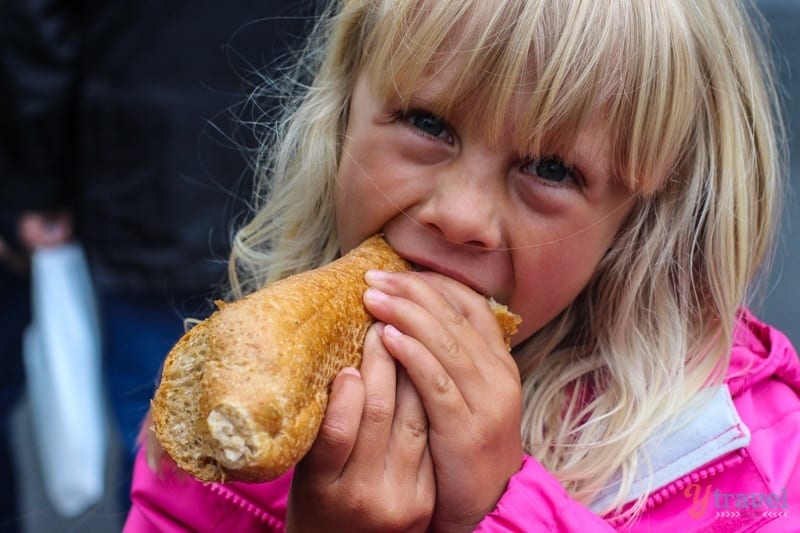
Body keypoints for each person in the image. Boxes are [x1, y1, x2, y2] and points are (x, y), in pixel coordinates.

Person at [125, 0, 799, 531]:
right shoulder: (239, 407)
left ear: (642, 222)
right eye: (428, 123)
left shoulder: (749, 459)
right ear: (341, 117)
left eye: (551, 169)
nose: (461, 216)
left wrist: (500, 509)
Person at [0, 0, 319, 517]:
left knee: (169, 432)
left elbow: (37, 27)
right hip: (280, 145)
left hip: (145, 171)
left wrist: (38, 184)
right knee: (213, 429)